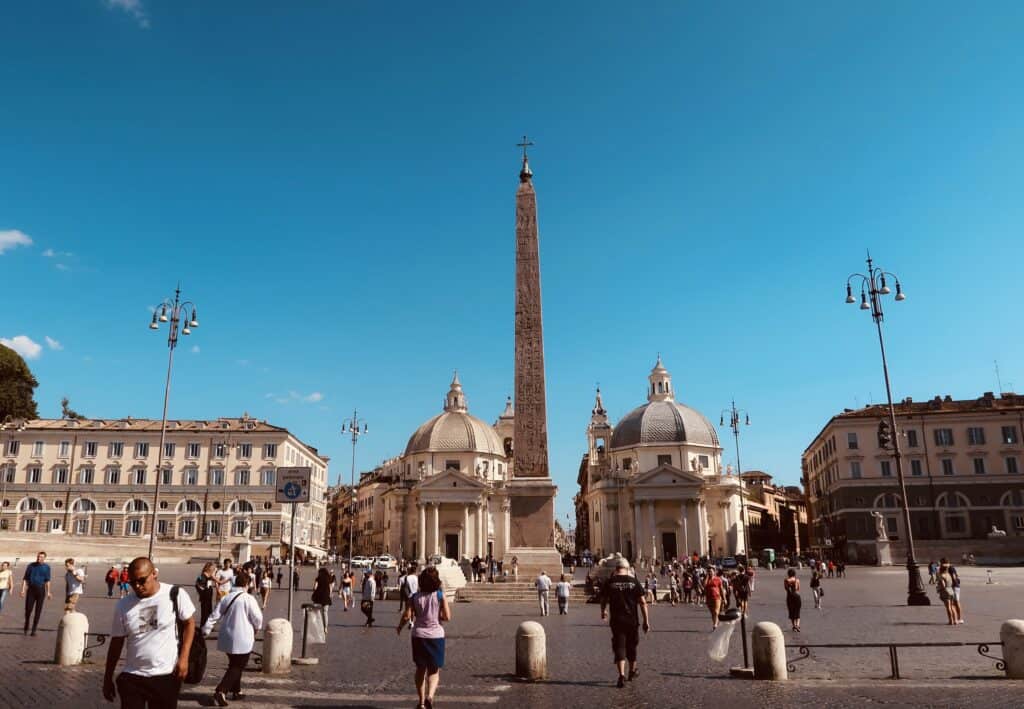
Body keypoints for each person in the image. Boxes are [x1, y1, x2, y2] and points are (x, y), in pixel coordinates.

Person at [102, 557, 196, 708]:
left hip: (165, 675)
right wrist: (107, 678)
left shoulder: (175, 594)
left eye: (142, 580)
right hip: (133, 675)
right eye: (132, 582)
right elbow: (116, 642)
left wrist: (184, 658)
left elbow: (189, 623)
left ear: (154, 574)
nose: (137, 586)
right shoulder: (123, 605)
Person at [202, 570, 263, 706]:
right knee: (238, 666)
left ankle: (237, 691)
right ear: (247, 584)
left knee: (234, 664)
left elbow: (214, 615)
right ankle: (221, 690)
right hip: (243, 637)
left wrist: (206, 629)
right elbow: (258, 618)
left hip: (227, 637)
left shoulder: (227, 597)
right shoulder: (248, 598)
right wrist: (257, 628)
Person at [397, 566, 451, 709]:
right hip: (436, 636)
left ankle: (421, 703)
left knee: (420, 668)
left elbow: (407, 616)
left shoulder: (414, 597)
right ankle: (430, 696)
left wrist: (399, 627)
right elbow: (447, 616)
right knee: (434, 670)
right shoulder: (440, 595)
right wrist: (437, 616)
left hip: (419, 635)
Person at [599, 558, 650, 688]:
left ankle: (621, 675)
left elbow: (603, 599)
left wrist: (603, 611)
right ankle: (632, 671)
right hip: (632, 620)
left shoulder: (610, 582)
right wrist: (646, 621)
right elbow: (643, 602)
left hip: (616, 619)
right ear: (627, 569)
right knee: (632, 645)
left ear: (616, 569)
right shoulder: (634, 581)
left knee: (619, 645)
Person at [20, 550, 51, 635]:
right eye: (38, 556)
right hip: (31, 590)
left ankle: (34, 629)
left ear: (44, 558)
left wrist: (48, 592)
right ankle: (26, 624)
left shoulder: (47, 567)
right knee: (28, 609)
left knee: (38, 610)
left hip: (41, 590)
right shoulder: (31, 566)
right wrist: (23, 590)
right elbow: (25, 578)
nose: (39, 558)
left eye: (41, 557)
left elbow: (47, 580)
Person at [936, 561, 959, 625]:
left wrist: (939, 589)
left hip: (945, 592)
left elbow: (943, 585)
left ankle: (951, 621)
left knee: (948, 607)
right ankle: (955, 620)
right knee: (952, 606)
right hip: (951, 590)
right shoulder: (948, 575)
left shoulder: (942, 576)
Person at [944, 557, 965, 624]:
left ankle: (959, 618)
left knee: (956, 602)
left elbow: (954, 577)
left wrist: (952, 583)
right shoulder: (950, 568)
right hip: (954, 586)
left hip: (954, 586)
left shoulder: (950, 568)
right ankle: (957, 619)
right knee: (954, 602)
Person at [784, 568, 801, 632]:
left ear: (788, 574)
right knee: (797, 611)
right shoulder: (797, 580)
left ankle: (794, 626)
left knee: (791, 611)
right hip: (797, 596)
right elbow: (798, 589)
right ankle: (797, 625)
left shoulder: (786, 580)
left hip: (790, 597)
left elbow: (786, 589)